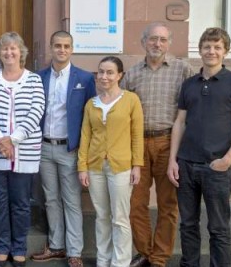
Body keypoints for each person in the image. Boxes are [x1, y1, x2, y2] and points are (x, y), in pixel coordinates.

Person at [167, 27, 231, 267]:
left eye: (217, 47)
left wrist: (228, 159)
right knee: (187, 225)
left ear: (225, 51)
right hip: (185, 165)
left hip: (216, 167)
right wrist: (172, 160)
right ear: (200, 50)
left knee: (218, 228)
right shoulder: (189, 84)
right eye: (207, 46)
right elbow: (180, 122)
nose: (211, 51)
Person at [120, 22, 194, 267]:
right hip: (138, 144)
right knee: (136, 203)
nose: (157, 44)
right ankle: (144, 252)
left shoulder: (183, 70)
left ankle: (160, 257)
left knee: (168, 204)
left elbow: (192, 109)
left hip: (168, 144)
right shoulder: (131, 74)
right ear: (143, 42)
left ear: (169, 43)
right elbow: (122, 110)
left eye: (162, 39)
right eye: (153, 39)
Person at [0, 32, 45, 267]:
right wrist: (0, 139)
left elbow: (36, 111)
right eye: (4, 49)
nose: (9, 52)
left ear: (21, 52)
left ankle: (18, 247)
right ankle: (1, 246)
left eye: (13, 48)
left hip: (24, 151)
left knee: (21, 202)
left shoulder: (34, 80)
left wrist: (13, 139)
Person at [30, 31, 95, 267]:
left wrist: (85, 152)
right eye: (57, 45)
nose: (62, 50)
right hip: (44, 147)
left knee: (71, 200)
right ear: (51, 47)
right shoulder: (39, 77)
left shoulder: (85, 79)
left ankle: (74, 250)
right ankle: (56, 245)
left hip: (70, 149)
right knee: (50, 199)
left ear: (72, 49)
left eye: (67, 46)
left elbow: (91, 117)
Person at [78, 56, 143, 267]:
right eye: (101, 72)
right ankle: (103, 260)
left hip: (121, 167)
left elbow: (136, 135)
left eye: (109, 72)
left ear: (119, 75)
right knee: (102, 216)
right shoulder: (91, 104)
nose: (104, 77)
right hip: (95, 166)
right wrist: (82, 168)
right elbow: (85, 137)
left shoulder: (131, 100)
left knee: (120, 218)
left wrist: (137, 166)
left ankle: (120, 262)